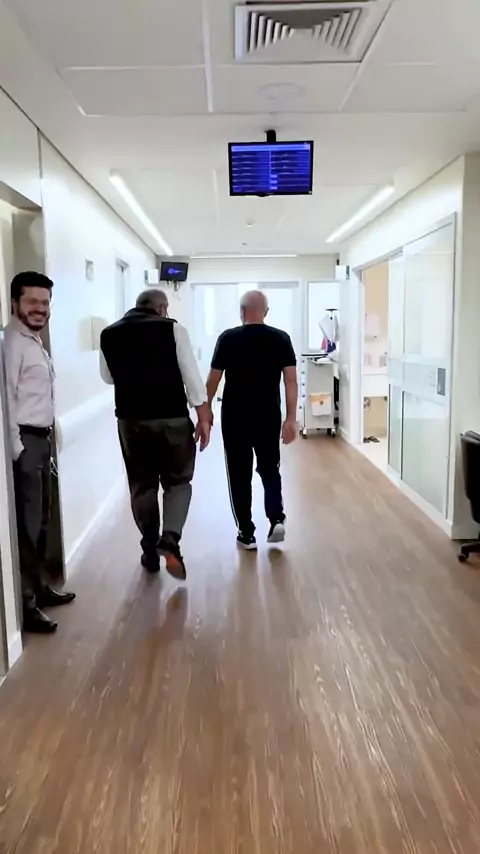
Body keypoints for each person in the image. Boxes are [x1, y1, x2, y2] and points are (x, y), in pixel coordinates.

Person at [100, 288, 211, 580]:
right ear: (162, 308)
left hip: (131, 421)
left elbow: (108, 377)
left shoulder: (109, 333)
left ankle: (149, 548)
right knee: (178, 481)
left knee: (142, 485)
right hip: (172, 419)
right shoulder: (172, 329)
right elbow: (191, 376)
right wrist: (203, 416)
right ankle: (170, 539)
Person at [4, 271, 76, 634]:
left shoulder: (33, 341)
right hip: (25, 443)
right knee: (28, 528)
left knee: (43, 521)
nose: (40, 308)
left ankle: (41, 588)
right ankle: (28, 606)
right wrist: (17, 450)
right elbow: (7, 401)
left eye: (45, 302)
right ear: (14, 302)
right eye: (32, 301)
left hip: (41, 441)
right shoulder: (11, 343)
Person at [206, 290, 298, 550]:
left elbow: (213, 380)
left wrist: (206, 410)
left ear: (241, 312)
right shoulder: (281, 338)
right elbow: (291, 381)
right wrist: (291, 418)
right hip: (268, 416)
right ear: (265, 312)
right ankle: (276, 518)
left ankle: (246, 533)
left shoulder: (228, 338)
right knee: (270, 468)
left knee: (239, 473)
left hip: (235, 417)